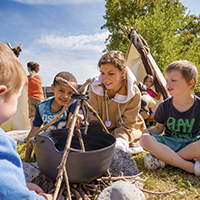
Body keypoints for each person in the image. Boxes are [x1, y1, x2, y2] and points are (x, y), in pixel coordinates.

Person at [0, 41, 53, 199]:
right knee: (34, 120)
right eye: (17, 97)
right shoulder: (2, 145)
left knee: (34, 117)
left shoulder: (35, 78)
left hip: (36, 99)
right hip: (38, 99)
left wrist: (18, 184)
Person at [139, 60, 200, 176]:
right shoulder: (164, 106)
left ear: (190, 83)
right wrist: (146, 132)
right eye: (167, 80)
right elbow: (158, 129)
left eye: (173, 80)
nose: (168, 84)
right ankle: (190, 167)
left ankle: (163, 160)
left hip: (191, 145)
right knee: (144, 139)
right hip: (169, 143)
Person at [87, 50, 146, 153]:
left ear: (122, 72)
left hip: (127, 129)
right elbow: (93, 115)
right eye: (102, 73)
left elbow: (128, 123)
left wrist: (120, 139)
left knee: (119, 147)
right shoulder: (95, 88)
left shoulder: (133, 93)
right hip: (102, 128)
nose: (105, 79)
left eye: (111, 73)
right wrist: (97, 135)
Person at [24, 71, 83, 162]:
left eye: (70, 93)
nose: (65, 96)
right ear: (53, 88)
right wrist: (26, 158)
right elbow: (33, 133)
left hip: (66, 146)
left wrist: (77, 118)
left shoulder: (73, 104)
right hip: (49, 146)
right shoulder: (42, 107)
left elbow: (78, 115)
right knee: (43, 158)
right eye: (61, 90)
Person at [27, 61, 45, 126]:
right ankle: (40, 129)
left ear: (28, 69)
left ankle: (33, 129)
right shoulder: (40, 78)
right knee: (40, 114)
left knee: (32, 115)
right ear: (37, 70)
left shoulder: (27, 78)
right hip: (40, 98)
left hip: (31, 98)